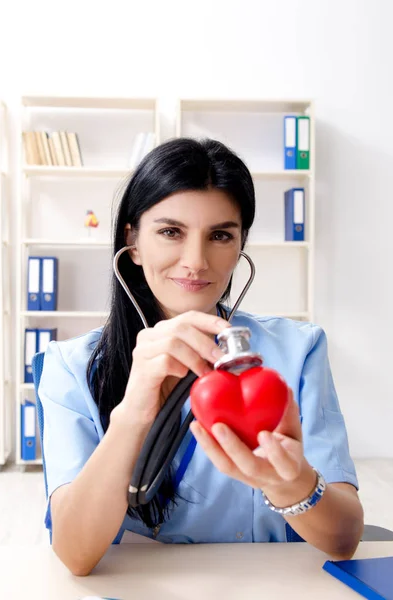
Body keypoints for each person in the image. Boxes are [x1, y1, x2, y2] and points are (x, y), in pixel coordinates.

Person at [39, 137, 364, 576]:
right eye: (171, 232)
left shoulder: (298, 350)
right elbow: (76, 555)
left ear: (241, 244)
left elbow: (344, 540)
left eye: (220, 235)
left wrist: (291, 483)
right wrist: (134, 410)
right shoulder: (70, 366)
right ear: (132, 242)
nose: (196, 261)